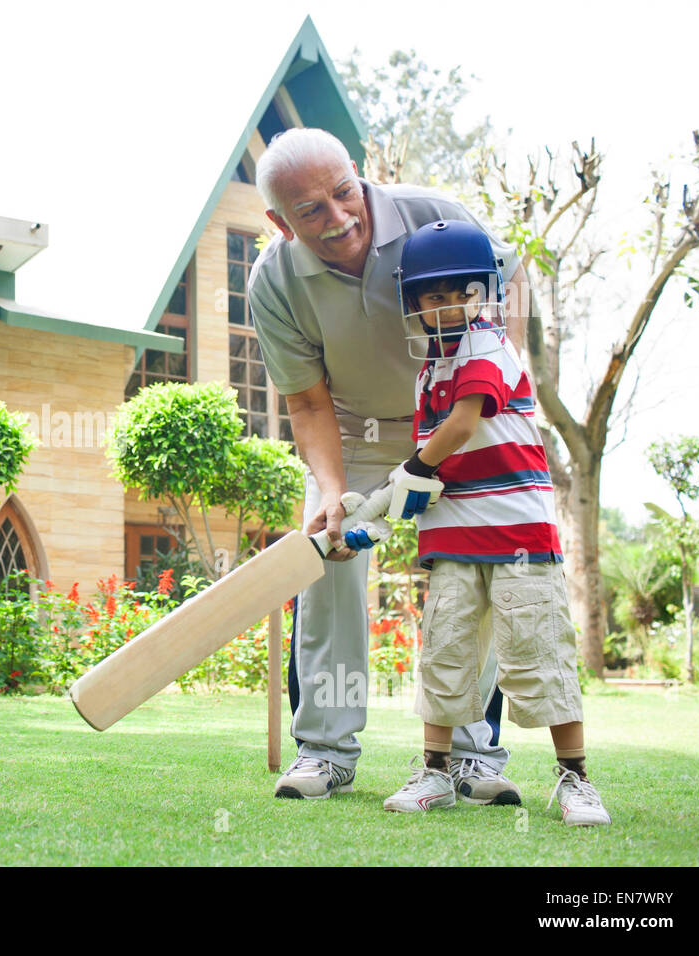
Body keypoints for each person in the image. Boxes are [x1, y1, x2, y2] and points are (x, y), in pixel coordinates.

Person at [248, 128, 529, 802]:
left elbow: (513, 278)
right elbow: (307, 403)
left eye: (343, 193)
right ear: (277, 222)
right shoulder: (276, 281)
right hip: (358, 433)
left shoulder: (438, 215)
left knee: (474, 568)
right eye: (310, 211)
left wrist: (501, 381)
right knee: (329, 556)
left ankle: (471, 754)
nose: (339, 218)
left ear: (359, 172)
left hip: (462, 420)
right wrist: (333, 492)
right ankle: (324, 751)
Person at [380, 219, 610, 826]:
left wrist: (408, 469)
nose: (453, 306)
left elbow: (462, 426)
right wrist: (382, 511)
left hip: (517, 536)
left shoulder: (485, 344)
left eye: (465, 291)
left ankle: (575, 780)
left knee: (538, 653)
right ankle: (435, 773)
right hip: (453, 536)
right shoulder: (429, 369)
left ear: (484, 293)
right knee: (446, 652)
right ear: (414, 304)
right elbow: (436, 470)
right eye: (436, 296)